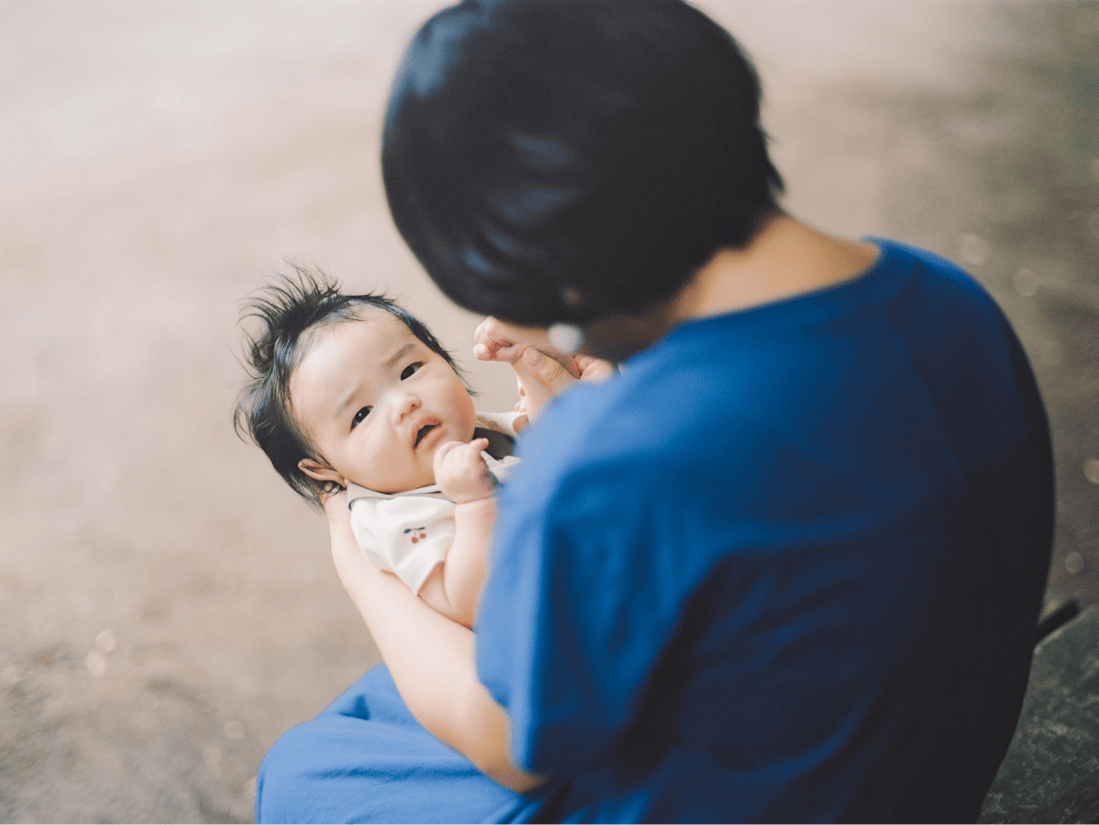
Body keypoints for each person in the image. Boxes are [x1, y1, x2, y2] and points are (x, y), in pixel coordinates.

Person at [256, 1, 1055, 823]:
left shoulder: (624, 457)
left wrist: (361, 570)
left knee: (301, 774)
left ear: (555, 269)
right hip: (921, 766)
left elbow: (512, 747)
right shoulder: (945, 295)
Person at [234, 267, 528, 627]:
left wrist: (532, 368)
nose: (403, 403)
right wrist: (475, 504)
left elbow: (560, 443)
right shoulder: (394, 518)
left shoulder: (480, 429)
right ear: (325, 471)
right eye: (361, 414)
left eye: (408, 371)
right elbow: (469, 603)